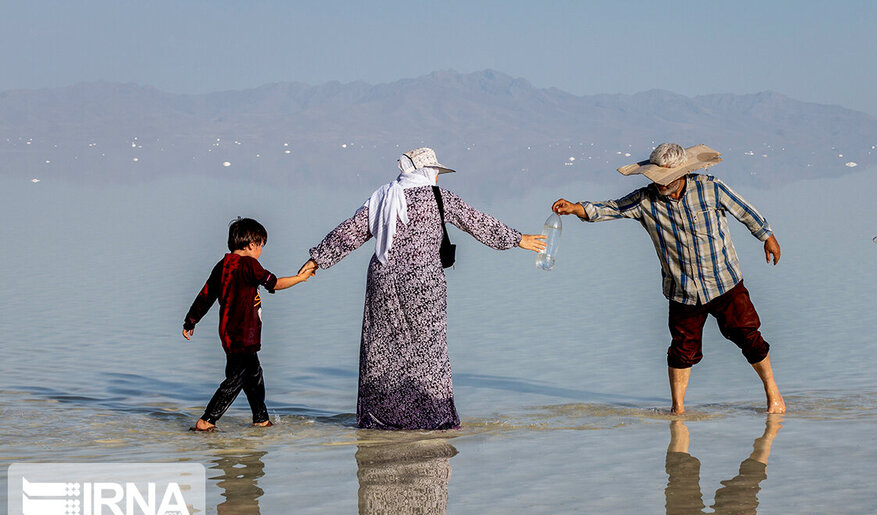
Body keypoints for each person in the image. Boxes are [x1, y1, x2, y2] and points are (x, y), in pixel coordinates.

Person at [300, 147, 545, 430]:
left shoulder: (383, 197)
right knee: (430, 352)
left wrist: (318, 259)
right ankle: (432, 419)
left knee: (382, 349)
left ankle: (382, 419)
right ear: (428, 172)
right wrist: (518, 239)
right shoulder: (439, 197)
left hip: (383, 281)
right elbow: (477, 222)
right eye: (436, 172)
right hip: (424, 283)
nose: (438, 178)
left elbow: (350, 232)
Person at [552, 143, 785, 414]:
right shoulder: (645, 200)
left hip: (724, 282)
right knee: (681, 350)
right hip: (682, 290)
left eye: (665, 179)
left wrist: (767, 236)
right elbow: (611, 208)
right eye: (656, 178)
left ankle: (773, 393)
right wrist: (576, 208)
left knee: (748, 335)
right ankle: (677, 410)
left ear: (682, 173)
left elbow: (744, 211)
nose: (659, 184)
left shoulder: (710, 188)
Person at [183, 217, 314, 431]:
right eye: (261, 245)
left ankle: (261, 419)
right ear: (252, 244)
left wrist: (191, 320)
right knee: (236, 379)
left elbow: (205, 295)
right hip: (243, 333)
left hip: (228, 333)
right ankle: (206, 421)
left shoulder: (222, 266)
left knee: (254, 376)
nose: (261, 251)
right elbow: (274, 283)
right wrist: (300, 278)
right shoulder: (249, 264)